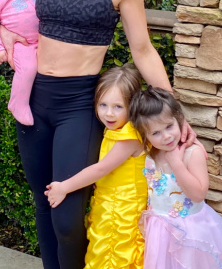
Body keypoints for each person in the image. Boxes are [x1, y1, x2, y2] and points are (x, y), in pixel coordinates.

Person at [0, 0, 198, 267]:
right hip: (34, 99)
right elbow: (27, 22)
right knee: (43, 203)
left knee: (68, 217)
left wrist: (174, 111)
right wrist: (5, 36)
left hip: (79, 104)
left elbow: (142, 50)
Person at [130, 87, 222, 269]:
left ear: (180, 119)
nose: (166, 136)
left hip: (192, 232)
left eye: (169, 126)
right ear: (145, 136)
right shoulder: (150, 156)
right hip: (160, 233)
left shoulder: (191, 153)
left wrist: (177, 164)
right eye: (155, 133)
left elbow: (198, 194)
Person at [45, 65, 147, 268]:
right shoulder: (118, 129)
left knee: (114, 255)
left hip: (123, 209)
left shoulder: (130, 136)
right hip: (109, 203)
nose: (109, 113)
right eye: (103, 105)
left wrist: (64, 187)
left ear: (133, 105)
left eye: (118, 107)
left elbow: (101, 169)